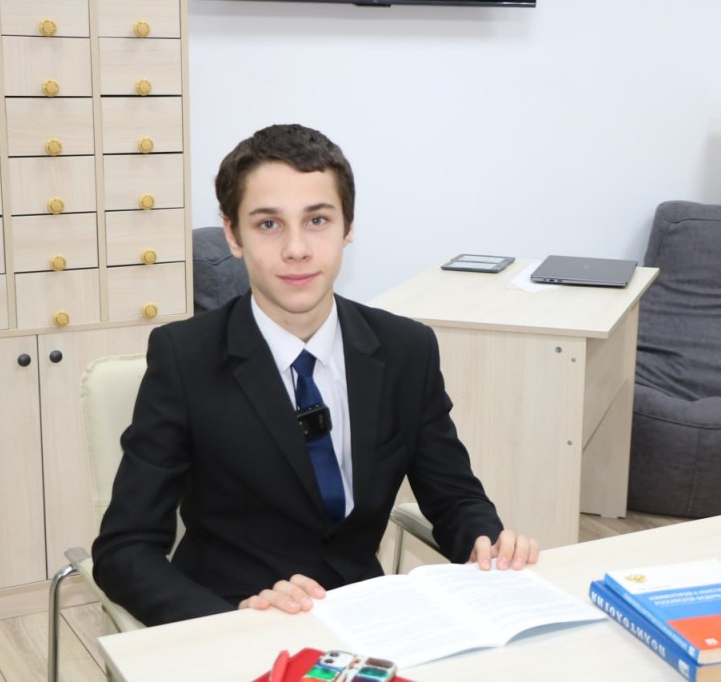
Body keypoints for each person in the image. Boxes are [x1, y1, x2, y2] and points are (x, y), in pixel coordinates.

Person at [92, 123, 539, 626]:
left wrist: (485, 542)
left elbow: (455, 497)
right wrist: (230, 621)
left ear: (348, 228)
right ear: (233, 235)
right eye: (268, 224)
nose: (297, 249)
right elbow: (124, 549)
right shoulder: (184, 358)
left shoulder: (405, 349)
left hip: (365, 619)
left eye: (318, 220)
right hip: (236, 618)